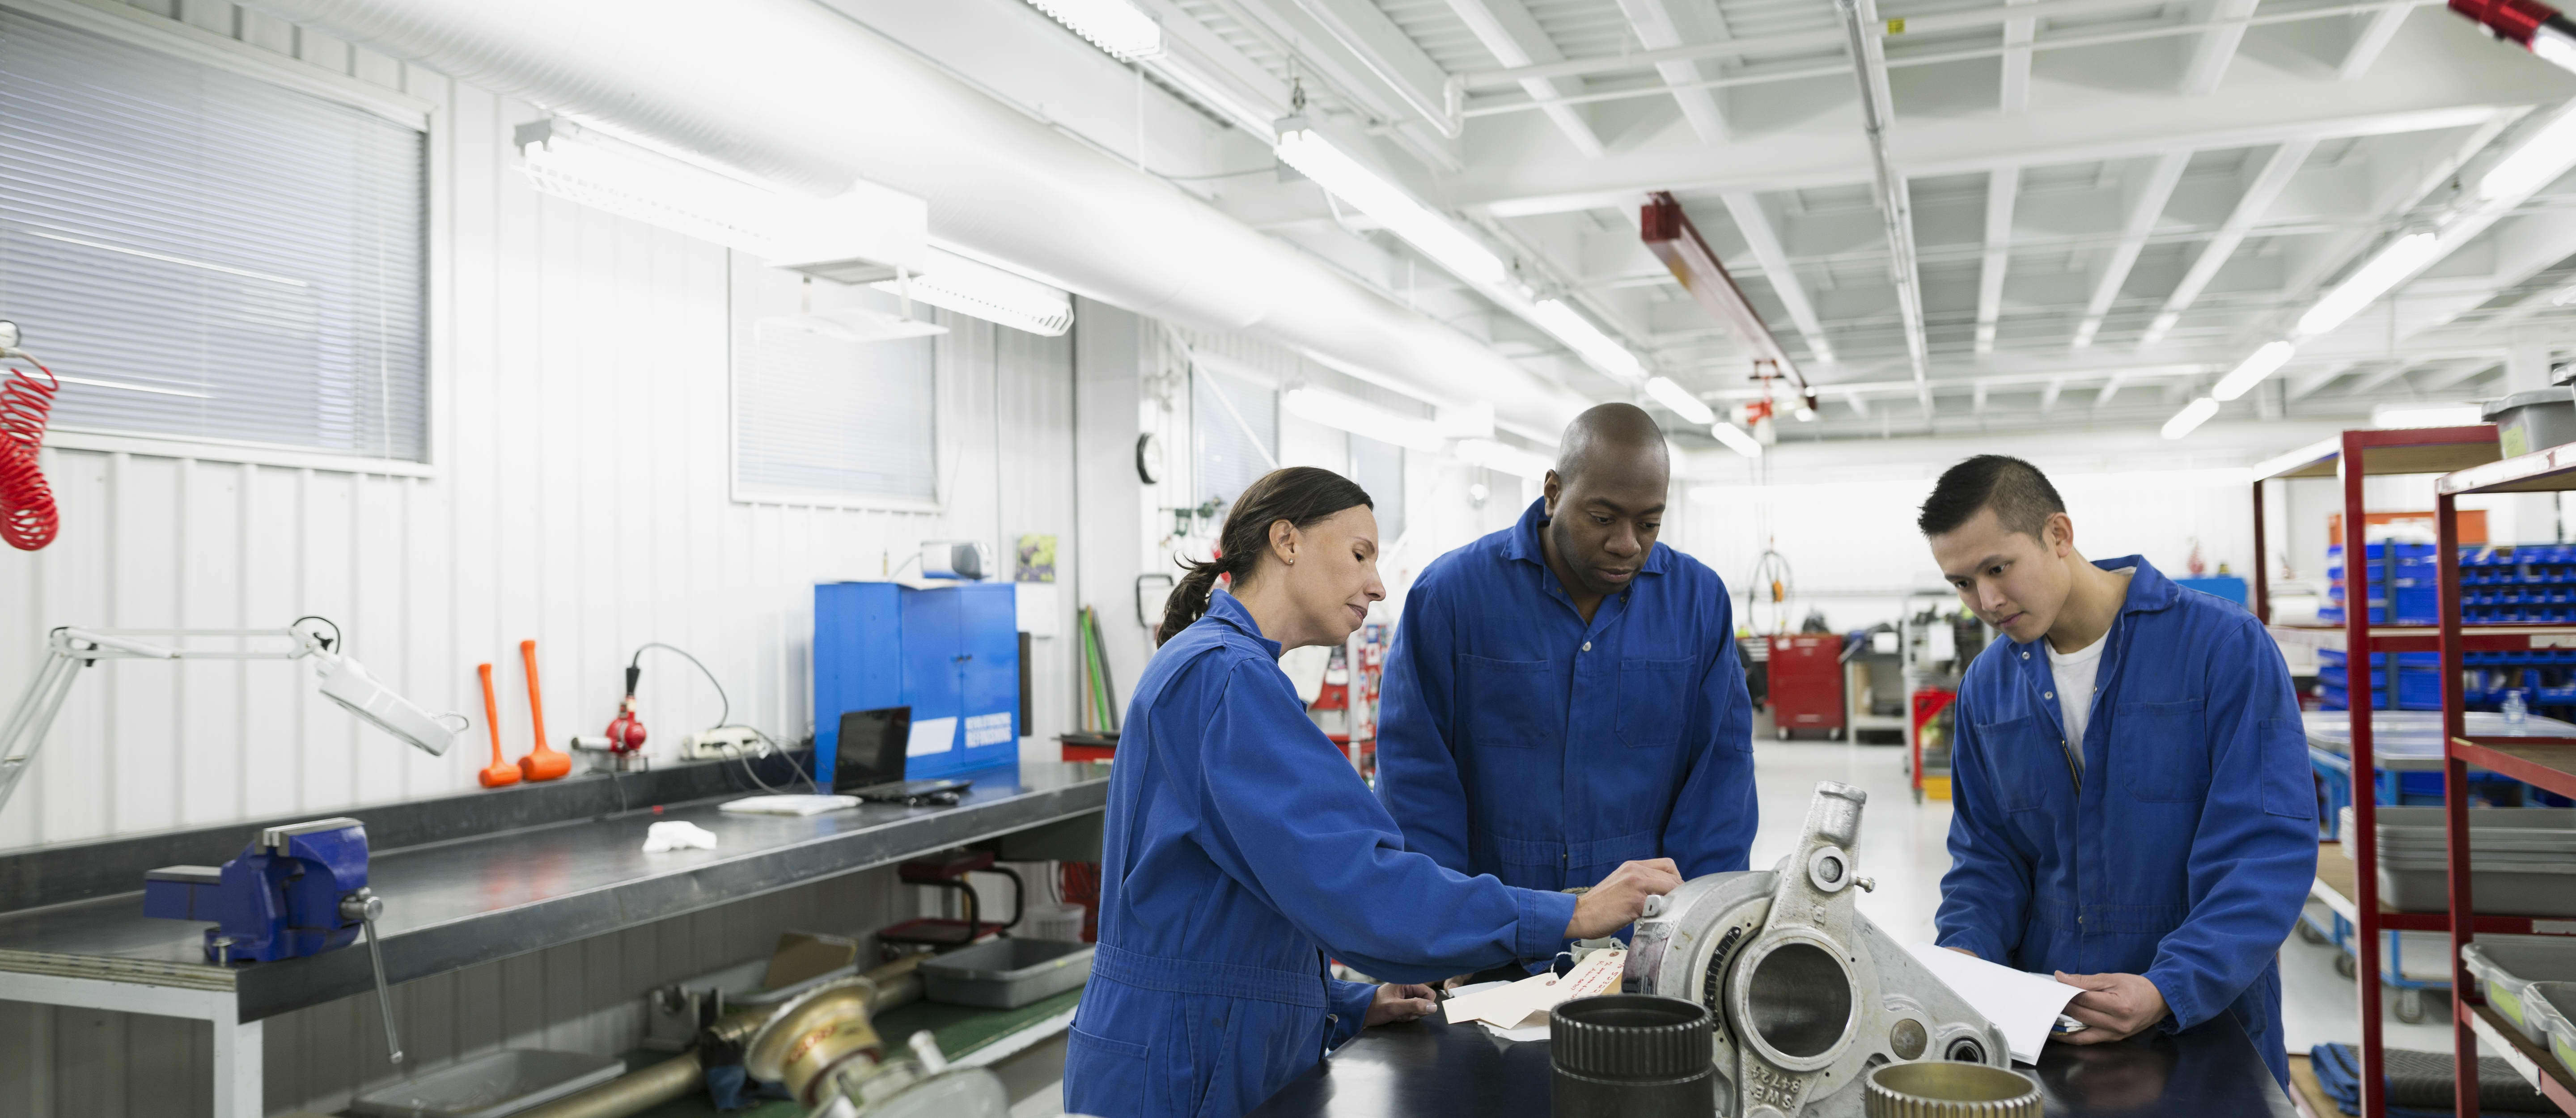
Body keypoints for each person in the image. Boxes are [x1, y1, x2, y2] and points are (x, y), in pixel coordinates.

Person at [1062, 466, 1683, 1118]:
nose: (1378, 586)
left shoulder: (1221, 669)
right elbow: (1360, 888)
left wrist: (1348, 1002)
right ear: (1287, 542)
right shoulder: (1226, 682)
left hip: (1194, 1043)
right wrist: (1569, 913)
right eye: (1360, 554)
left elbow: (1224, 914)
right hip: (1185, 1064)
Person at [1918, 455, 2315, 1085]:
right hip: (2050, 1031)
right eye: (1963, 583)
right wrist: (1966, 958)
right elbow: (1988, 859)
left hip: (2205, 1021)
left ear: (2059, 535)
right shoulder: (1986, 688)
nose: (1986, 601)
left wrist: (2169, 987)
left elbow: (2263, 853)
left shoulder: (2222, 648)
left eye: (1998, 568)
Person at [1373, 403, 1756, 973]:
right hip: (1492, 947)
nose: (1628, 543)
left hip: (1646, 947)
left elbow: (1719, 783)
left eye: (1649, 523)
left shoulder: (1696, 603)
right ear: (1553, 492)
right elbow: (1419, 783)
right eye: (1603, 518)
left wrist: (1695, 939)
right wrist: (1447, 945)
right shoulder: (1453, 597)